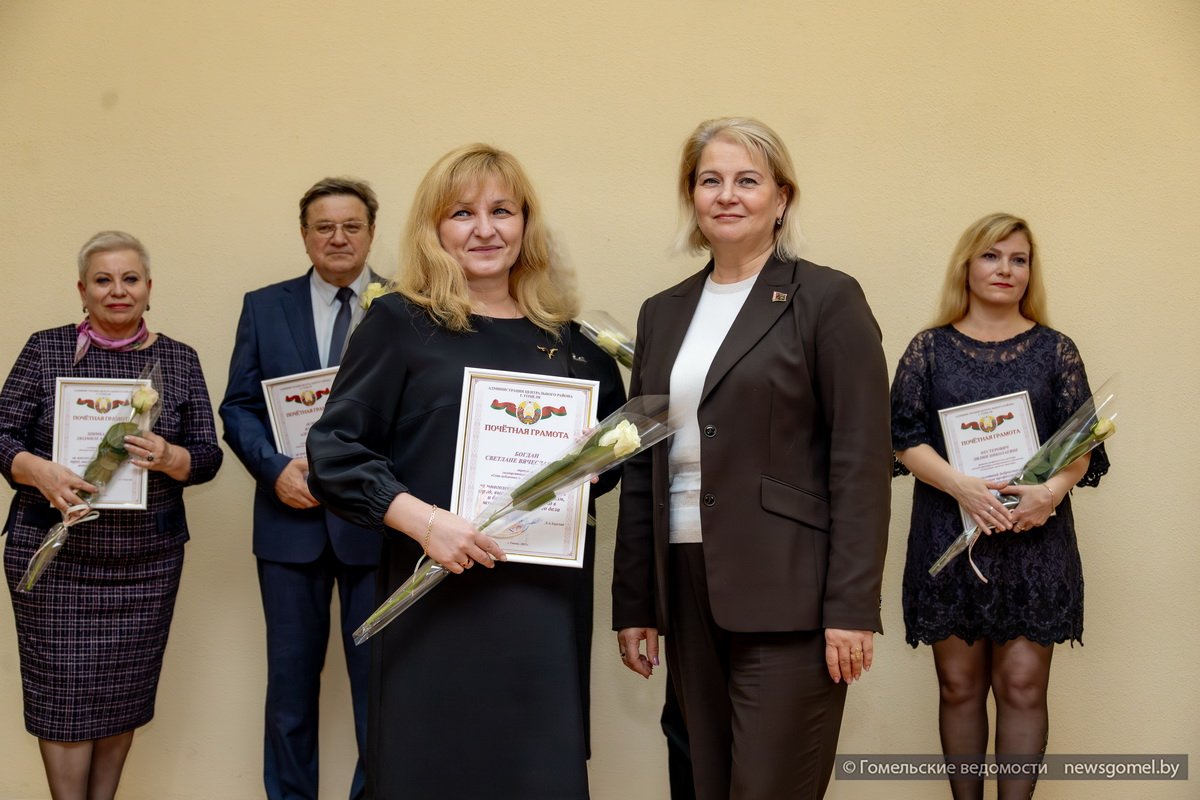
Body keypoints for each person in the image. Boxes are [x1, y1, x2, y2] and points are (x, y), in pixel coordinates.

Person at [306, 143, 625, 799]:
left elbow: (612, 463)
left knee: (537, 775)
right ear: (435, 229)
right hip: (435, 602)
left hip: (542, 611)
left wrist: (594, 465)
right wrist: (425, 523)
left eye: (502, 211)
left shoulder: (577, 346)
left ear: (526, 224)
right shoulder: (399, 323)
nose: (485, 230)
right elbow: (334, 453)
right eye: (462, 214)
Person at [612, 116, 892, 799]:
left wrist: (852, 606)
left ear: (781, 197)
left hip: (790, 589)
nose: (727, 195)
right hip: (685, 582)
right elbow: (643, 464)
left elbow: (861, 462)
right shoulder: (661, 313)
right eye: (710, 180)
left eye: (747, 180)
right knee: (703, 784)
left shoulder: (826, 298)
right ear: (692, 196)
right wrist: (636, 601)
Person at [891, 212, 1109, 799]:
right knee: (959, 687)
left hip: (1034, 538)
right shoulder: (928, 349)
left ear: (1031, 271)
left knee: (1022, 687)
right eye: (991, 256)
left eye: (1018, 259)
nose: (1005, 269)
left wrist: (1050, 493)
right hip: (949, 532)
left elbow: (1082, 446)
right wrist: (961, 486)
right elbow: (904, 438)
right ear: (966, 265)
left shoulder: (1057, 351)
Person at [0, 231, 223, 799]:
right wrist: (38, 470)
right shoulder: (45, 349)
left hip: (146, 566)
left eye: (129, 279)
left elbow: (207, 455)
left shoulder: (178, 359)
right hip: (55, 559)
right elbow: (1, 434)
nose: (117, 290)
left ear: (149, 287)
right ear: (82, 290)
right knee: (62, 702)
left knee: (123, 696)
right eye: (103, 280)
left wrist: (171, 457)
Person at [219, 177, 383, 800]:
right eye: (324, 227)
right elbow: (238, 406)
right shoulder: (265, 306)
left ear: (371, 232)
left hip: (376, 526)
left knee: (380, 691)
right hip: (290, 527)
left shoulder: (407, 307)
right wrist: (272, 470)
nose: (338, 238)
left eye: (351, 226)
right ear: (305, 234)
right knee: (289, 690)